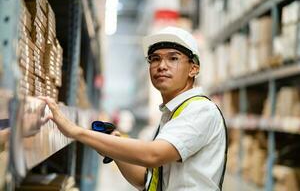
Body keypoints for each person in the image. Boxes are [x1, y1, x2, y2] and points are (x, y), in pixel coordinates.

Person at [39, 26, 227, 191]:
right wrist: (113, 141)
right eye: (155, 59)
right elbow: (144, 180)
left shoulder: (201, 110)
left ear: (193, 69)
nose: (161, 66)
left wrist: (76, 131)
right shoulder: (173, 114)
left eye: (173, 58)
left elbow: (152, 155)